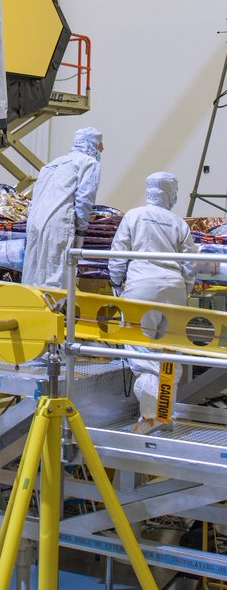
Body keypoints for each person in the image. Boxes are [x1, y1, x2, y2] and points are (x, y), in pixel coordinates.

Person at [109, 171, 197, 430]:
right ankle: (164, 414)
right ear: (170, 193)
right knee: (169, 352)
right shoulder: (178, 222)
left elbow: (118, 254)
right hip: (174, 289)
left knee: (142, 352)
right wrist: (186, 290)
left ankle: (149, 419)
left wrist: (115, 284)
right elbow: (190, 263)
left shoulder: (134, 216)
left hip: (141, 288)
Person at [21, 127, 103, 289]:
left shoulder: (52, 164)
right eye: (100, 145)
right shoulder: (88, 163)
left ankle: (29, 308)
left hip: (34, 223)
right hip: (58, 224)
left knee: (33, 271)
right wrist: (80, 232)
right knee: (55, 275)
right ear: (92, 145)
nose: (102, 149)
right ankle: (54, 312)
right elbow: (84, 199)